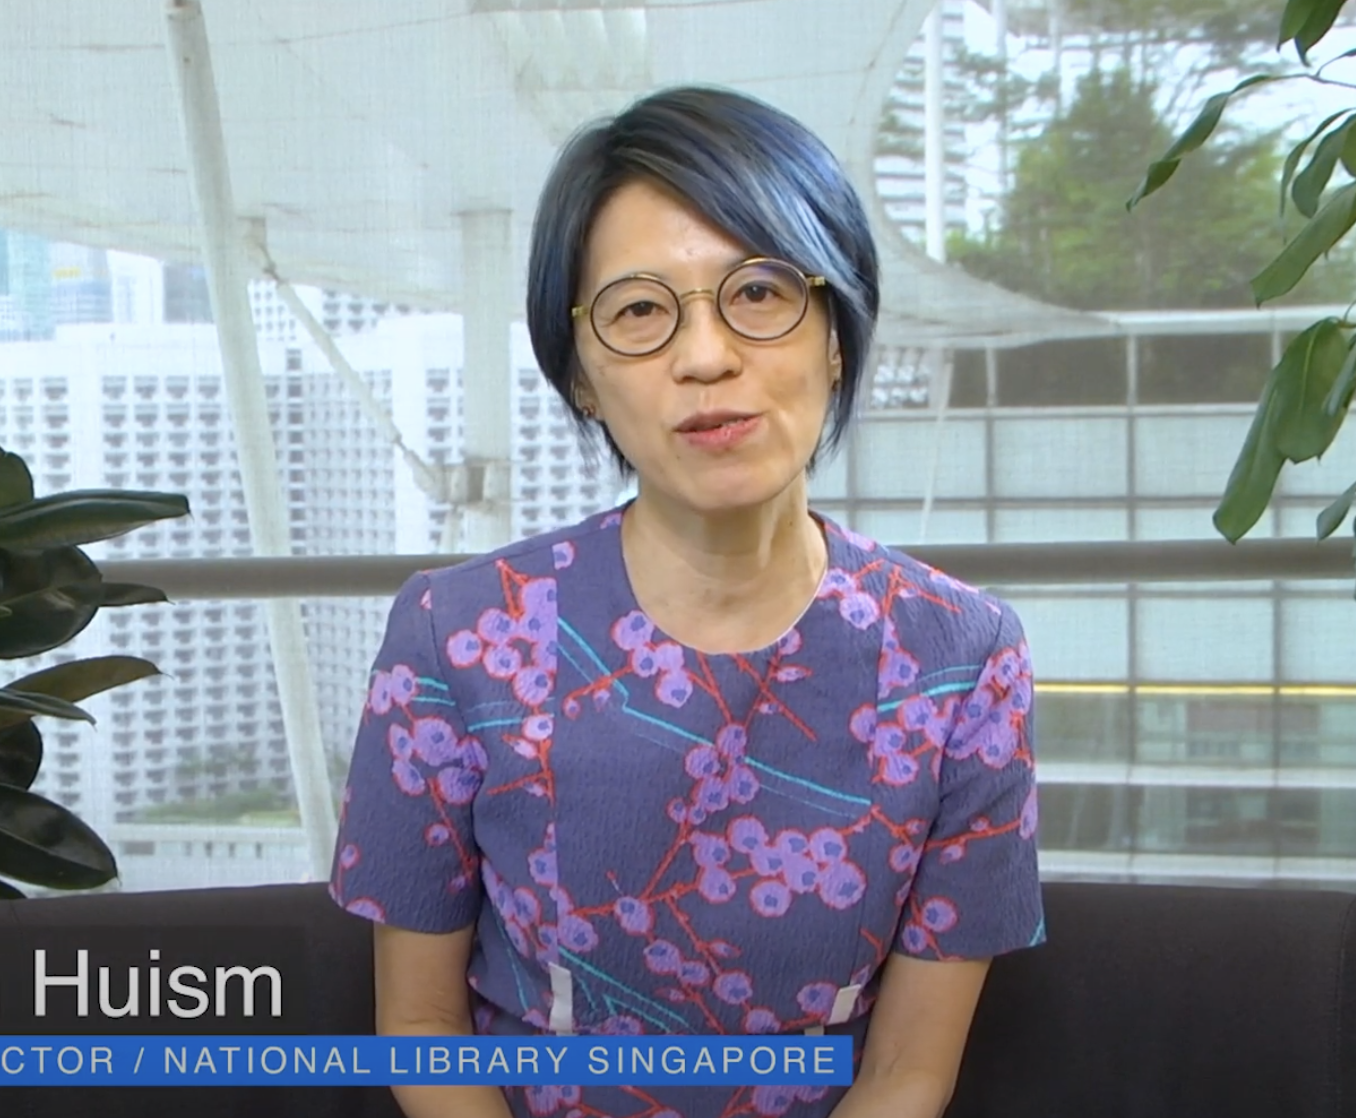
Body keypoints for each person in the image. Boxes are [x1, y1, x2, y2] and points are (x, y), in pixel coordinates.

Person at [328, 85, 1042, 1118]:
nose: (705, 356)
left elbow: (904, 1072)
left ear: (833, 333)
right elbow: (423, 1030)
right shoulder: (456, 633)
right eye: (637, 311)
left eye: (757, 293)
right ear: (579, 374)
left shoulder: (960, 655)